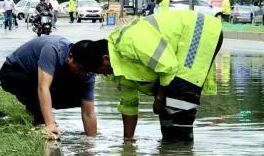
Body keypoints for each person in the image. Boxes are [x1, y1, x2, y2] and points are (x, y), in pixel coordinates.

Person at [81, 9, 223, 142]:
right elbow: (129, 105)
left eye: (99, 72)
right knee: (167, 106)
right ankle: (171, 151)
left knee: (179, 96)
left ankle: (180, 155)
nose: (104, 76)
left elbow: (168, 67)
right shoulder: (119, 72)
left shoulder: (130, 41)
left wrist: (159, 98)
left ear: (105, 59)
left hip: (198, 31)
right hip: (182, 47)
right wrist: (128, 143)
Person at [0, 36, 98, 137]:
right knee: (36, 90)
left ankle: (37, 113)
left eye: (85, 71)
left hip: (35, 80)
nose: (82, 73)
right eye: (80, 68)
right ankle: (39, 120)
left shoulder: (88, 74)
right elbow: (43, 87)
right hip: (13, 72)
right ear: (70, 57)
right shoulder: (53, 49)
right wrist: (50, 124)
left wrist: (90, 143)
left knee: (82, 99)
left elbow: (89, 113)